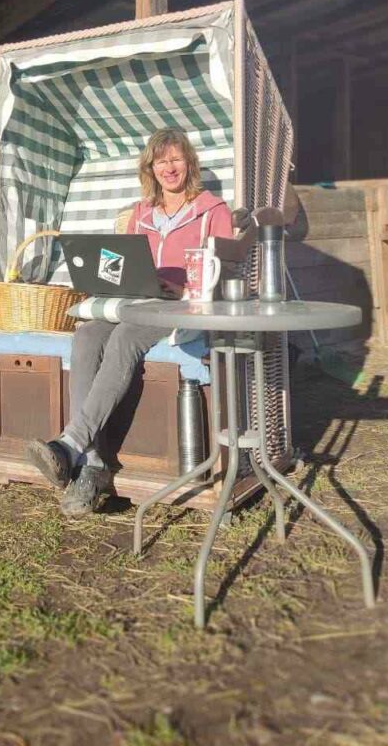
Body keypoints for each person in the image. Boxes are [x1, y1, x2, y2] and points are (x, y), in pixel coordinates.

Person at [26, 127, 233, 518]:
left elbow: (226, 271)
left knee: (124, 338)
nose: (169, 168)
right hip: (137, 301)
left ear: (188, 163)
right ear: (150, 168)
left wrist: (185, 288)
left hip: (181, 307)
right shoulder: (140, 214)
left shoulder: (213, 210)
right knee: (87, 334)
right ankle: (94, 462)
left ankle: (73, 447)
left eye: (175, 159)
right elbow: (126, 269)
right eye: (160, 161)